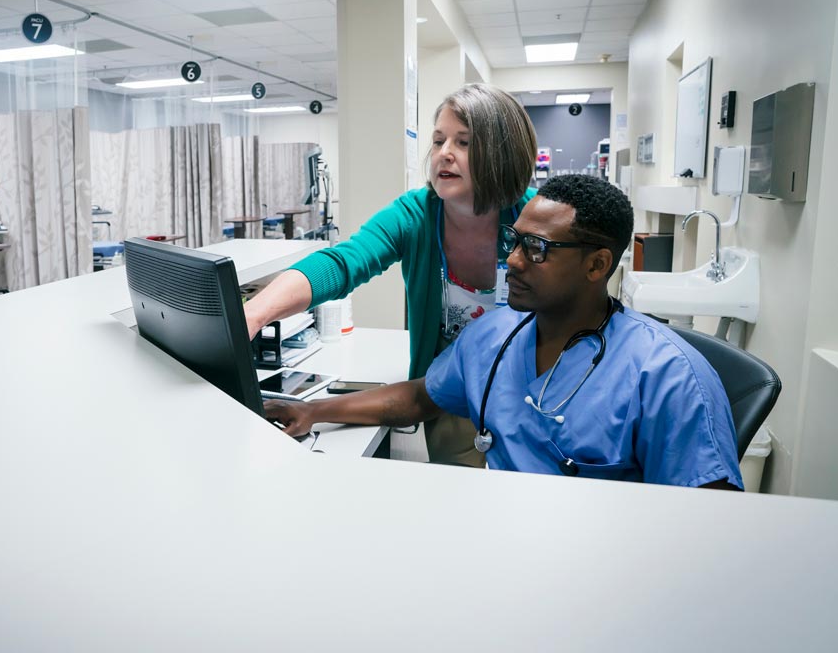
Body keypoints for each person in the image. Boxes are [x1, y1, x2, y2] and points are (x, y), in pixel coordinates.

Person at [267, 175, 744, 489]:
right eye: (515, 242)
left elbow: (708, 526)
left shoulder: (672, 379)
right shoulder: (497, 333)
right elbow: (420, 398)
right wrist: (314, 410)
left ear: (597, 264)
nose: (512, 261)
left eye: (536, 249)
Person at [244, 83, 538, 467]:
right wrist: (253, 314)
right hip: (447, 395)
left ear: (502, 154)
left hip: (529, 394)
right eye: (438, 140)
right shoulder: (415, 215)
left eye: (464, 143)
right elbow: (343, 262)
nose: (444, 154)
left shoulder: (535, 220)